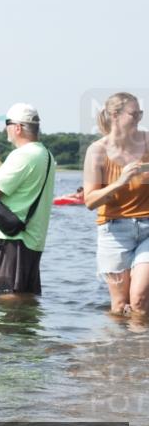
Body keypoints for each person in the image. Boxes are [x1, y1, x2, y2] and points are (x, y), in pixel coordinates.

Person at [0, 103, 56, 296]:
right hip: (31, 239)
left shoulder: (23, 155)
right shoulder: (45, 154)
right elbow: (19, 187)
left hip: (13, 240)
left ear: (18, 127)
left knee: (9, 297)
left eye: (7, 124)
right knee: (26, 299)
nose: (5, 128)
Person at [82, 92, 149, 315]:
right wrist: (120, 182)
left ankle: (140, 337)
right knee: (120, 306)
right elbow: (90, 201)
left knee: (139, 299)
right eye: (134, 114)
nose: (139, 118)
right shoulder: (97, 151)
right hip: (114, 231)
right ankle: (122, 338)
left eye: (140, 113)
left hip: (148, 228)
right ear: (114, 115)